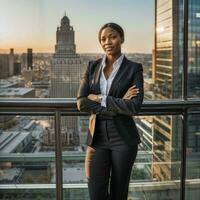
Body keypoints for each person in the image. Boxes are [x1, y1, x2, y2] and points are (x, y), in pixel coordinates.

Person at [77, 22, 144, 200]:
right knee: (96, 194)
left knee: (118, 194)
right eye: (103, 38)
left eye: (113, 37)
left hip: (123, 138)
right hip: (96, 137)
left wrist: (100, 98)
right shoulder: (92, 67)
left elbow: (134, 106)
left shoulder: (134, 68)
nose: (108, 41)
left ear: (122, 38)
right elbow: (82, 102)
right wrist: (117, 105)